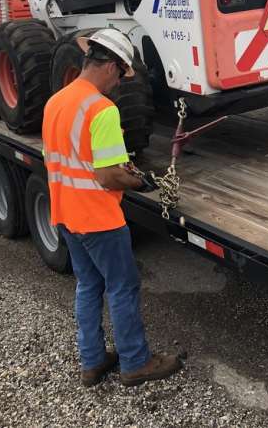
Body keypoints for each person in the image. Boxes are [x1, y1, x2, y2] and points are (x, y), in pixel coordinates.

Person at [42, 28, 182, 387]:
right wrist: (141, 182)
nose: (119, 83)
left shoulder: (56, 101)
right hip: (97, 217)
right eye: (121, 75)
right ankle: (135, 361)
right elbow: (107, 176)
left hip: (65, 213)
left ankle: (92, 361)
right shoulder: (102, 110)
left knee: (88, 285)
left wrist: (119, 169)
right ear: (110, 68)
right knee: (122, 286)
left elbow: (63, 158)